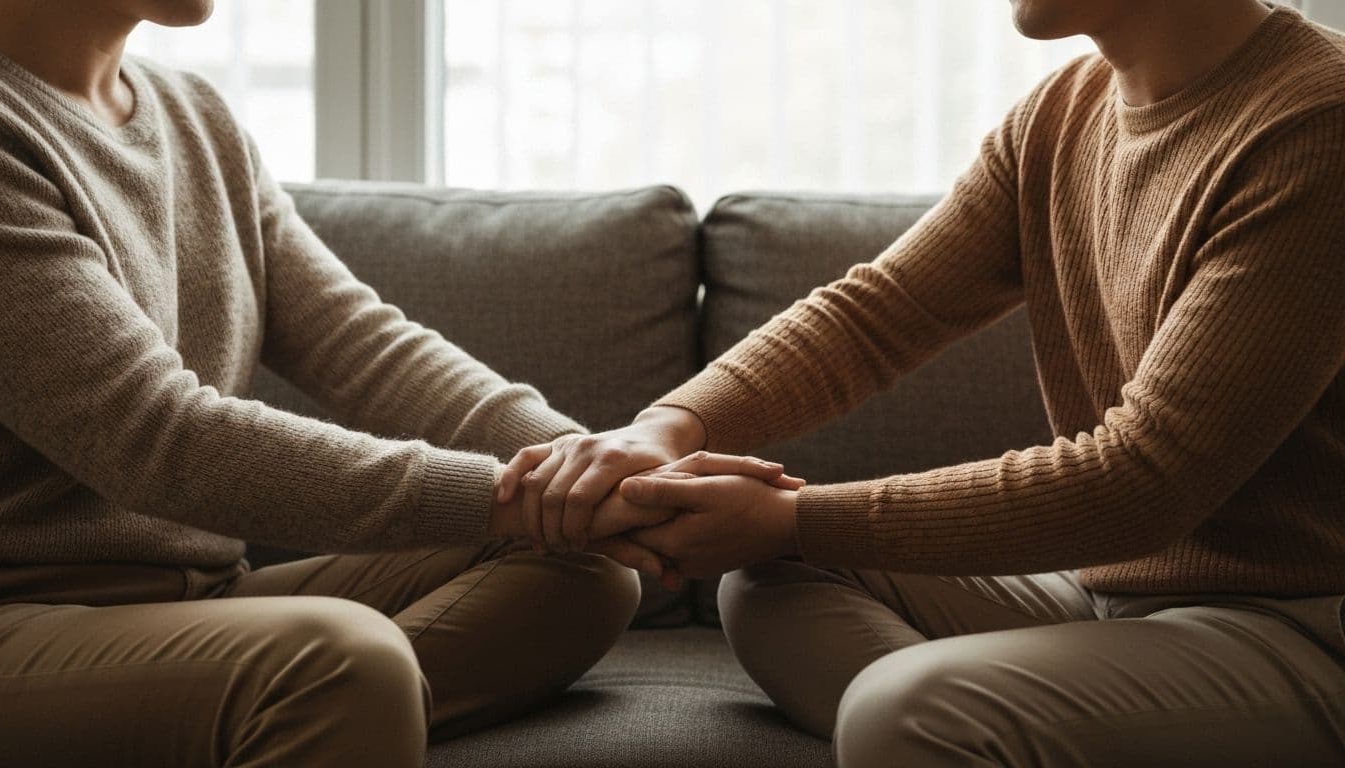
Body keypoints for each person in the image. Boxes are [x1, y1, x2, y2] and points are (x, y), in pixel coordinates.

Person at [0, 0, 802, 764]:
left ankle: (288, 719)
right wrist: (512, 495)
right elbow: (161, 440)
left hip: (200, 602)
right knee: (339, 662)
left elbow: (367, 347)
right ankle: (312, 707)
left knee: (579, 569)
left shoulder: (193, 113)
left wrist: (598, 472)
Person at [502, 1, 1345, 764]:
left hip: (1301, 623)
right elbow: (877, 314)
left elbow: (1145, 482)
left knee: (901, 709)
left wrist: (794, 516)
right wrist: (669, 425)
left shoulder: (1316, 123)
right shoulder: (1062, 112)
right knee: (771, 583)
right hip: (1117, 596)